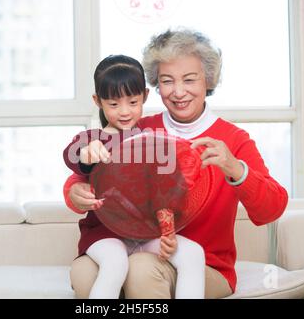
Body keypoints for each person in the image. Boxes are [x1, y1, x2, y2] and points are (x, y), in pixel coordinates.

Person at [64, 29, 289, 299]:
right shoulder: (141, 130)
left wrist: (235, 169)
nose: (178, 92)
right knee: (87, 274)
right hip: (136, 243)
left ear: (208, 80)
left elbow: (271, 210)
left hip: (203, 263)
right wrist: (75, 191)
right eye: (167, 81)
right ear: (155, 88)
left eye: (189, 79)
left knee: (140, 269)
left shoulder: (233, 140)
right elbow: (91, 169)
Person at [63, 54, 207, 299]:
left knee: (193, 253)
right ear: (98, 101)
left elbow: (165, 194)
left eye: (133, 101)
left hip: (146, 234)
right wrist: (87, 154)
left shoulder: (152, 141)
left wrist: (168, 232)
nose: (125, 112)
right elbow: (72, 154)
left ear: (145, 97)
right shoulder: (92, 138)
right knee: (115, 263)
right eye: (114, 104)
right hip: (104, 234)